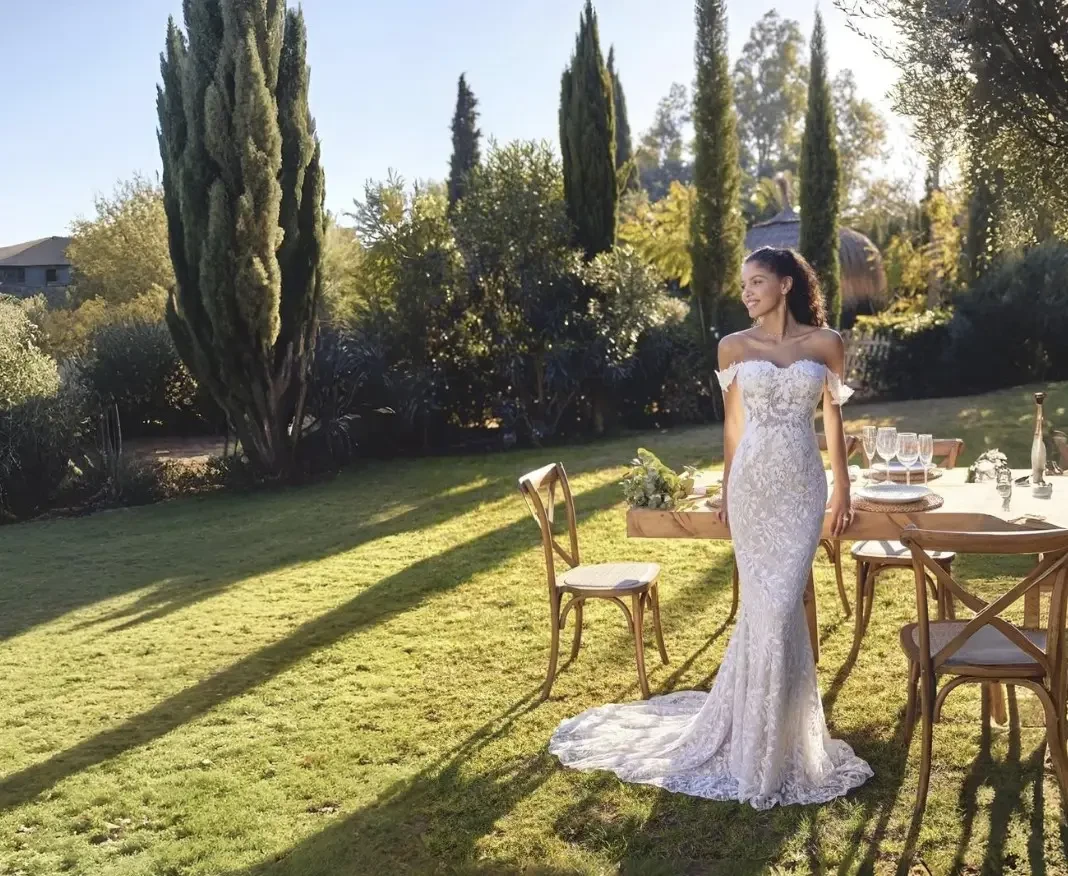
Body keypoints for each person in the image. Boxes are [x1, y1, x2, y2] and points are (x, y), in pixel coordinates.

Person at [548, 247, 872, 809]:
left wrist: (842, 488)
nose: (747, 292)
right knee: (765, 609)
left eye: (758, 281)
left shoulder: (826, 345)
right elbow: (734, 424)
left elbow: (834, 418)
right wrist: (726, 488)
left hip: (800, 487)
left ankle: (786, 740)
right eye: (743, 283)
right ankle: (761, 741)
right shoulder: (732, 347)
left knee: (781, 606)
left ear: (787, 285)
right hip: (751, 489)